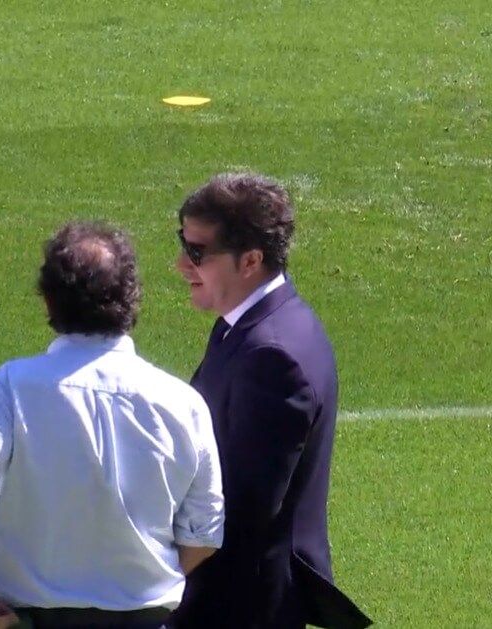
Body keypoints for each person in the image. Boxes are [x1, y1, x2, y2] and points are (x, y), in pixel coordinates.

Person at [0, 221, 225, 629]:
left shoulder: (13, 386)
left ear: (49, 300)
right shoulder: (183, 403)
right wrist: (138, 582)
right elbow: (205, 533)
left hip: (29, 619)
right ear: (132, 297)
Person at [169, 173, 371, 628]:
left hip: (240, 605)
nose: (181, 264)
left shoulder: (271, 356)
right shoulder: (245, 326)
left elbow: (241, 512)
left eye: (197, 252)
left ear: (250, 260)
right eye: (183, 244)